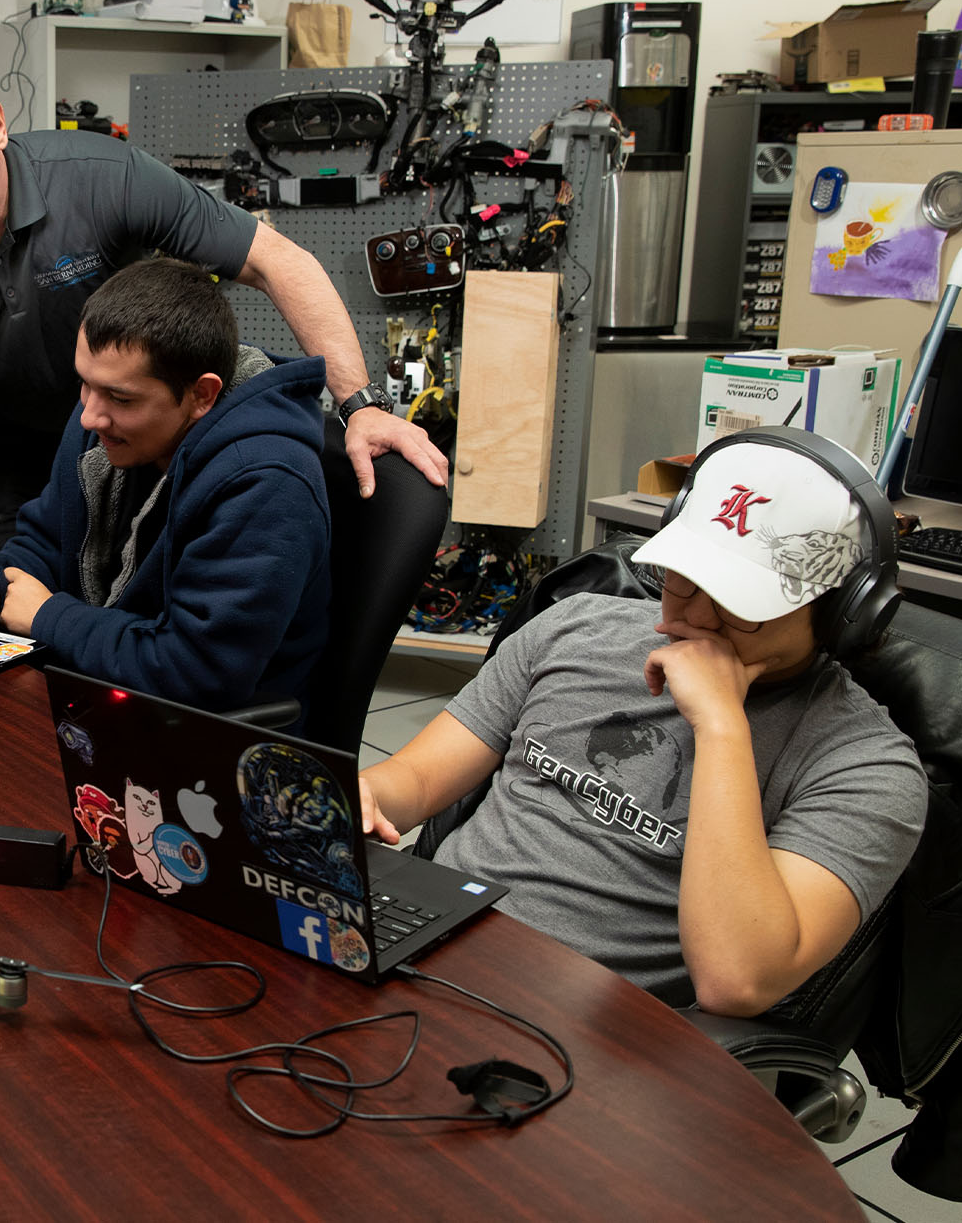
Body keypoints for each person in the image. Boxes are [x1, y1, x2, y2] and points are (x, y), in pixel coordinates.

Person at [0, 43, 443, 563]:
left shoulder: (104, 179)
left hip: (136, 439)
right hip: (1, 453)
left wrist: (361, 406)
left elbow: (278, 261)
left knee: (129, 635)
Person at [357, 431, 927, 1016]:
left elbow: (737, 980)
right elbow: (417, 780)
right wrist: (364, 799)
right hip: (428, 941)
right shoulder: (578, 626)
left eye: (740, 603)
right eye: (684, 578)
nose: (696, 616)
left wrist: (721, 725)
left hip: (579, 1024)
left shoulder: (867, 766)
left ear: (843, 613)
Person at [0, 258, 330, 718]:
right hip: (104, 693)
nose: (89, 416)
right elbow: (46, 546)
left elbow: (199, 672)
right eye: (85, 384)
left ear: (201, 395)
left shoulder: (266, 482)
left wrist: (49, 618)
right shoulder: (107, 429)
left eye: (121, 399)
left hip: (207, 734)